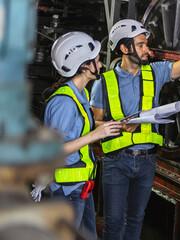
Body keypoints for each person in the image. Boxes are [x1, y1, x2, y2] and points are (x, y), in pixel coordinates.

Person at [90, 19, 180, 240]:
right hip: (117, 161)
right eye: (141, 45)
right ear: (125, 48)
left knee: (135, 218)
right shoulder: (104, 83)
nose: (147, 49)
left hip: (147, 161)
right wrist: (120, 126)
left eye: (146, 44)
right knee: (114, 222)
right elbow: (94, 124)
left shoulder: (155, 72)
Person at [37, 31, 122, 239]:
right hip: (65, 190)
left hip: (80, 185)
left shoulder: (80, 93)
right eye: (96, 61)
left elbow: (83, 125)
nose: (100, 65)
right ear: (83, 66)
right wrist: (96, 134)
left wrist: (110, 126)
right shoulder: (63, 102)